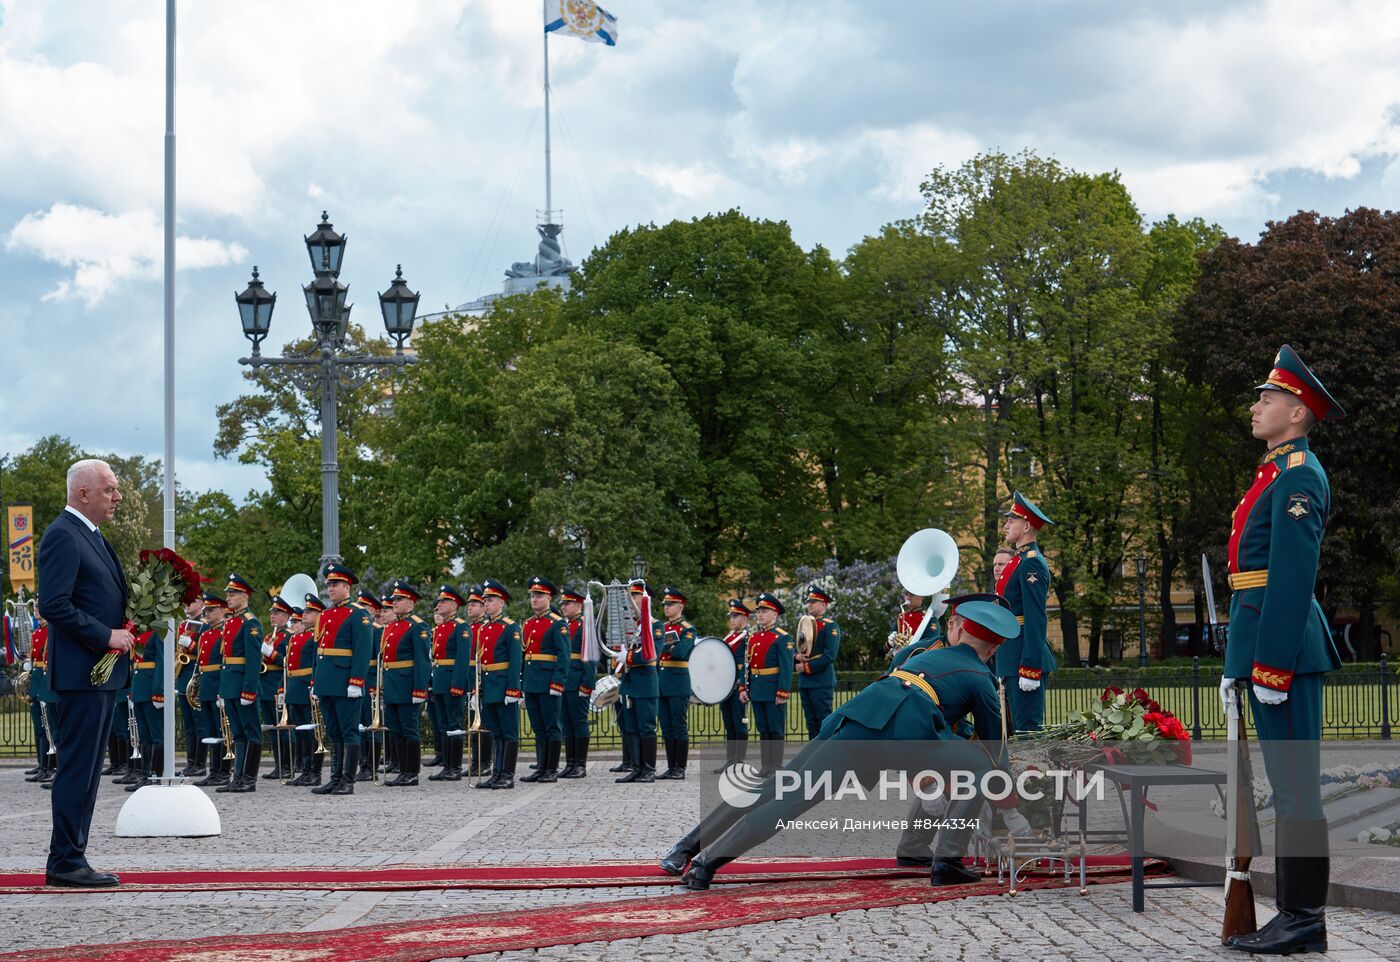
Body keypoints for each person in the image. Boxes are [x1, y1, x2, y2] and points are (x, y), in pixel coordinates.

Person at [664, 599, 1019, 891]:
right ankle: (948, 861)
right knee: (979, 765)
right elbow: (993, 747)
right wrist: (1009, 798)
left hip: (852, 724)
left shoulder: (923, 654)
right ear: (995, 644)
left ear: (960, 628)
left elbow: (898, 684)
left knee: (788, 795)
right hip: (902, 736)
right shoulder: (977, 675)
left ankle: (704, 863)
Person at [1223, 345, 1344, 956]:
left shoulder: (1300, 473)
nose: (1256, 406)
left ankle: (1304, 919)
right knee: (1285, 785)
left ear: (1298, 412)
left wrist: (1269, 664)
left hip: (1288, 650)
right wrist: (1236, 664)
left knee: (1297, 787)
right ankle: (1295, 915)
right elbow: (1251, 580)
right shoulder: (1274, 472)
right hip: (1265, 644)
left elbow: (1292, 577)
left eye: (1267, 398)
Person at [37, 459, 133, 888]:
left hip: (97, 673)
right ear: (84, 494)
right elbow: (53, 604)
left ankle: (71, 854)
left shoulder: (89, 534)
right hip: (82, 673)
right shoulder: (63, 534)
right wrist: (106, 636)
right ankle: (66, 861)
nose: (117, 497)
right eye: (110, 489)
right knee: (77, 768)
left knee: (88, 769)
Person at [995, 491, 1056, 733]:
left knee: (1027, 732)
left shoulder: (1031, 562)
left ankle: (1032, 773)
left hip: (1023, 658)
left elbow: (1035, 616)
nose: (1006, 524)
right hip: (1012, 655)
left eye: (1012, 520)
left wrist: (1030, 666)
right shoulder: (1018, 561)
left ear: (1027, 525)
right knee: (1014, 731)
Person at [309, 564, 372, 796]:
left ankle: (347, 780)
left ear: (347, 586)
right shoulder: (325, 614)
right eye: (328, 585)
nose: (330, 588)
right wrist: (315, 681)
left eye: (335, 584)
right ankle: (335, 778)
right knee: (334, 733)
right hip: (327, 681)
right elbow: (319, 651)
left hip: (346, 682)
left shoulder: (358, 614)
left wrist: (356, 681)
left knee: (349, 732)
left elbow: (363, 650)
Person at [377, 581, 430, 786]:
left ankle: (411, 772)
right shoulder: (391, 627)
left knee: (409, 729)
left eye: (399, 599)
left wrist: (419, 689)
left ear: (411, 603)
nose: (395, 602)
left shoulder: (418, 626)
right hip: (392, 685)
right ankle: (401, 769)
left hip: (408, 686)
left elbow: (422, 661)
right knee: (396, 729)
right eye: (394, 599)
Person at [217, 574, 266, 793]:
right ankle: (237, 777)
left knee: (251, 731)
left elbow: (253, 660)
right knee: (237, 732)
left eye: (233, 593)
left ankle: (249, 778)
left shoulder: (250, 623)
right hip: (230, 683)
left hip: (243, 685)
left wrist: (249, 690)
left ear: (244, 596)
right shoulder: (231, 622)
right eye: (228, 593)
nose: (229, 597)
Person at [520, 576, 570, 783]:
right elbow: (525, 656)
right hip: (532, 682)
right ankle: (541, 767)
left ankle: (551, 768)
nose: (534, 599)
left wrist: (557, 683)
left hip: (549, 682)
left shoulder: (557, 624)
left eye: (539, 596)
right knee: (538, 728)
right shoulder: (528, 623)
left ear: (549, 597)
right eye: (532, 595)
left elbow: (564, 656)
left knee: (551, 727)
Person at [474, 579, 523, 789]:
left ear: (501, 603)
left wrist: (513, 688)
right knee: (496, 732)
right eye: (485, 600)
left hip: (504, 685)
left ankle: (507, 774)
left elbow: (515, 661)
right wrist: (478, 687)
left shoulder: (510, 627)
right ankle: (496, 773)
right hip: (489, 684)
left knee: (509, 732)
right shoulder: (483, 629)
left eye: (491, 600)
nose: (486, 603)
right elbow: (479, 661)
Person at [742, 592, 794, 777]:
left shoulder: (782, 638)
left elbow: (786, 667)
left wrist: (783, 691)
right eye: (759, 611)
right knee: (763, 728)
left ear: (775, 614)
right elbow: (747, 664)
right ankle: (766, 766)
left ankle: (776, 765)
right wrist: (744, 688)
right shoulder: (753, 637)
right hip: (757, 688)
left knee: (775, 728)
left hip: (773, 689)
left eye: (765, 611)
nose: (760, 614)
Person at [616, 580, 662, 784]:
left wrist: (627, 658)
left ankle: (648, 769)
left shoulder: (655, 626)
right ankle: (636, 767)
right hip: (630, 682)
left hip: (645, 683)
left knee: (645, 727)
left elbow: (651, 654)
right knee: (631, 727)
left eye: (634, 596)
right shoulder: (629, 627)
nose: (631, 600)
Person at [428, 585, 471, 782]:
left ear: (454, 605)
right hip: (440, 680)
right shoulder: (440, 628)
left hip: (453, 680)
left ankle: (455, 766)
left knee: (453, 724)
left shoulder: (461, 626)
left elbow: (462, 659)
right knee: (443, 724)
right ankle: (446, 765)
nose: (440, 604)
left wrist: (458, 684)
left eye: (443, 602)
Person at [655, 586, 697, 780]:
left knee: (678, 724)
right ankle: (671, 766)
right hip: (662, 681)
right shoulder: (662, 627)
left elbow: (681, 652)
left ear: (680, 606)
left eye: (670, 604)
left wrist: (667, 646)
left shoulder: (688, 629)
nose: (666, 608)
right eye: (665, 604)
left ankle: (680, 767)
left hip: (678, 681)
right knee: (666, 725)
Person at [191, 594, 230, 786]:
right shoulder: (205, 634)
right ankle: (213, 770)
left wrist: (222, 689)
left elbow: (225, 663)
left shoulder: (225, 632)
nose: (207, 613)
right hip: (206, 684)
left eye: (211, 610)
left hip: (217, 684)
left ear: (223, 611)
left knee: (221, 729)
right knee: (210, 731)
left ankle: (224, 771)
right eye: (206, 610)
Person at [558, 586, 594, 778]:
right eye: (562, 603)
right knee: (566, 722)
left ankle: (580, 764)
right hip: (564, 681)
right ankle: (570, 763)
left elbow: (590, 656)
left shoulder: (585, 624)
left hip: (578, 679)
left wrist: (587, 683)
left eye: (568, 603)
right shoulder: (564, 625)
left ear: (579, 604)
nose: (563, 606)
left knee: (579, 722)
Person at [285, 598, 323, 786]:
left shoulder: (316, 636)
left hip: (307, 686)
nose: (304, 615)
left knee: (312, 733)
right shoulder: (295, 637)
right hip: (294, 687)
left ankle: (314, 772)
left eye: (308, 612)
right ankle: (305, 770)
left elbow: (317, 662)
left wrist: (315, 684)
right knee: (300, 733)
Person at [795, 586, 840, 740]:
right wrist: (797, 657)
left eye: (814, 601)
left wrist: (806, 667)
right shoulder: (805, 624)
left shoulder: (830, 626)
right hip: (806, 682)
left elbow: (829, 656)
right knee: (811, 723)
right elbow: (802, 649)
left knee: (824, 721)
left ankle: (826, 758)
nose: (810, 604)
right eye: (809, 602)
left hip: (821, 681)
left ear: (824, 605)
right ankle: (812, 757)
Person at [125, 625, 165, 791]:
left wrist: (159, 691)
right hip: (140, 687)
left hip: (151, 689)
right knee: (144, 736)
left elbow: (161, 662)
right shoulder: (138, 632)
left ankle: (156, 774)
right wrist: (131, 689)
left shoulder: (159, 632)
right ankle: (145, 773)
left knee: (156, 735)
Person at [714, 599, 751, 773]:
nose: (732, 619)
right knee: (729, 723)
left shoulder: (746, 637)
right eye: (731, 616)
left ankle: (739, 760)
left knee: (739, 722)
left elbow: (744, 662)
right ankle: (730, 760)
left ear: (744, 617)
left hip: (737, 685)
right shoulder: (730, 636)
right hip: (725, 686)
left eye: (736, 616)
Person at [260, 595, 293, 781]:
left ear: (287, 616)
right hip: (265, 685)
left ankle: (287, 766)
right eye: (272, 612)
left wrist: (271, 654)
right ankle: (279, 765)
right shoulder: (270, 636)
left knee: (282, 728)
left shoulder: (288, 637)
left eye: (277, 613)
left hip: (277, 685)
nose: (273, 616)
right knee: (273, 728)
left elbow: (287, 662)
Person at [174, 596, 206, 776]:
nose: (188, 604)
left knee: (198, 722)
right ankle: (191, 762)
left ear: (201, 603)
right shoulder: (183, 625)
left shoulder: (204, 624)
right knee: (188, 723)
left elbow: (208, 651)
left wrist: (192, 645)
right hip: (183, 673)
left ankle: (200, 764)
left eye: (192, 601)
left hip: (196, 674)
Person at [462, 585, 493, 777]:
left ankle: (485, 761)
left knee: (485, 722)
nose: (470, 608)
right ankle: (476, 762)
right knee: (474, 723)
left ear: (483, 608)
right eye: (469, 605)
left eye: (475, 604)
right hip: (471, 677)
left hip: (483, 677)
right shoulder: (468, 628)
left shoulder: (484, 628)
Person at [25, 615, 59, 785]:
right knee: (40, 727)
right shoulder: (38, 632)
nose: (37, 610)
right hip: (39, 679)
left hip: (47, 680)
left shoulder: (51, 631)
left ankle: (51, 766)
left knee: (51, 729)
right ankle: (43, 765)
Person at [887, 591, 949, 672]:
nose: (908, 598)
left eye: (912, 595)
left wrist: (909, 647)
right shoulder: (901, 617)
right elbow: (886, 650)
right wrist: (890, 642)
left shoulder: (929, 620)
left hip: (917, 669)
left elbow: (932, 647)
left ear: (922, 596)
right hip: (896, 666)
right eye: (906, 594)